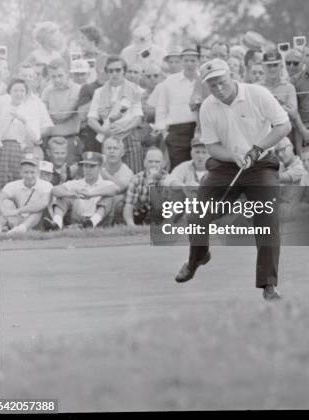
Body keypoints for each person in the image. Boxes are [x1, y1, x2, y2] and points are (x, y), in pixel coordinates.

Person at [174, 58, 291, 301]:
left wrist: (257, 149)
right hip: (225, 166)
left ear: (231, 75)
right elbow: (212, 147)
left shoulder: (258, 94)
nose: (218, 89)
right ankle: (198, 257)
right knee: (197, 215)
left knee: (267, 219)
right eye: (212, 85)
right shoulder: (207, 107)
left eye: (221, 82)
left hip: (261, 164)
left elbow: (283, 126)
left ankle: (269, 284)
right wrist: (233, 156)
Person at [87, 55, 144, 173]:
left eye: (118, 70)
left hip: (129, 136)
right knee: (110, 177)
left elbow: (138, 117)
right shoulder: (99, 92)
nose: (114, 73)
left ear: (124, 71)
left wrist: (124, 129)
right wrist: (104, 132)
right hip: (109, 137)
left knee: (134, 174)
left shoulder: (134, 89)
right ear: (107, 72)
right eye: (111, 70)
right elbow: (91, 119)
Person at [48, 151, 121, 230]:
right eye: (86, 166)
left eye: (92, 166)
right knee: (62, 196)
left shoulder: (106, 184)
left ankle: (92, 222)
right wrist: (69, 194)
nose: (88, 170)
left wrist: (91, 194)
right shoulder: (76, 183)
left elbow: (116, 189)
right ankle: (56, 225)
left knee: (108, 197)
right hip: (78, 219)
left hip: (99, 222)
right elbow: (54, 190)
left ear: (100, 168)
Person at [154, 47, 199, 170]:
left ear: (198, 61)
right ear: (181, 61)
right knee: (178, 169)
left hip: (199, 130)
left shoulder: (203, 80)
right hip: (176, 132)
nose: (189, 64)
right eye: (186, 60)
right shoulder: (170, 81)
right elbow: (161, 108)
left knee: (198, 168)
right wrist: (164, 133)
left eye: (193, 60)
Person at [0, 79, 42, 190]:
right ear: (9, 92)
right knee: (2, 182)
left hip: (22, 149)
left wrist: (24, 120)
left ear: (26, 93)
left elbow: (36, 136)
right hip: (4, 148)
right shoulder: (2, 108)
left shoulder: (30, 110)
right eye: (15, 90)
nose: (18, 94)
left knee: (19, 181)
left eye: (22, 91)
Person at [0, 155, 52, 235]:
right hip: (19, 218)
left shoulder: (46, 185)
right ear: (20, 173)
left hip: (37, 221)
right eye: (26, 172)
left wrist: (17, 211)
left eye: (32, 172)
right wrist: (3, 211)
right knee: (6, 202)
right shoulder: (13, 185)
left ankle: (21, 229)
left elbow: (44, 203)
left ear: (38, 173)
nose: (29, 176)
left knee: (39, 209)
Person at [41, 58, 81, 165]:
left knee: (69, 174)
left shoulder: (76, 89)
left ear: (67, 73)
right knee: (49, 175)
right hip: (50, 140)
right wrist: (50, 114)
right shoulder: (47, 90)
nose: (57, 80)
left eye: (60, 75)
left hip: (69, 141)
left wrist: (50, 114)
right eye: (53, 76)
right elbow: (42, 115)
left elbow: (64, 115)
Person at [123, 147, 169, 227]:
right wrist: (131, 224)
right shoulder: (136, 179)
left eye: (157, 162)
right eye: (150, 161)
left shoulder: (169, 180)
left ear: (163, 164)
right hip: (141, 214)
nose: (153, 164)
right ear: (144, 163)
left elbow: (159, 206)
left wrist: (151, 182)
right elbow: (129, 205)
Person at [76, 54, 107, 153]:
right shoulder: (88, 88)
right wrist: (99, 95)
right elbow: (81, 115)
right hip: (93, 136)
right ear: (98, 69)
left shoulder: (119, 88)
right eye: (106, 69)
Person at [101, 136, 134, 225]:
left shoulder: (126, 171)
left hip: (117, 207)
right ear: (104, 152)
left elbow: (120, 187)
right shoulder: (98, 167)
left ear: (122, 153)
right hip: (98, 201)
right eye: (109, 148)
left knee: (117, 199)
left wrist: (102, 173)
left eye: (115, 148)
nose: (112, 151)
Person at [262, 51, 298, 120]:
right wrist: (282, 105)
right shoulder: (256, 87)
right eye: (269, 65)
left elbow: (293, 115)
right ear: (263, 67)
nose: (272, 69)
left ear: (281, 66)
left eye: (275, 65)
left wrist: (274, 103)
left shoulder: (289, 87)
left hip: (283, 127)